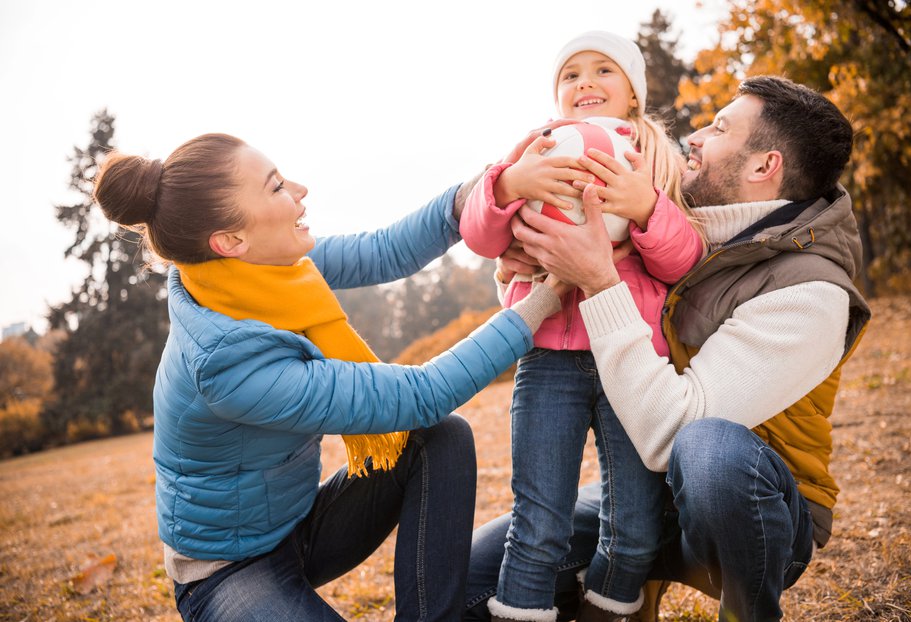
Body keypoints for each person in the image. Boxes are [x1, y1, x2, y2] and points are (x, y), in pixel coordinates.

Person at [92, 132, 563, 622]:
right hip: (228, 571)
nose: (299, 191)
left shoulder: (252, 272)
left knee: (439, 437)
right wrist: (541, 303)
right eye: (276, 188)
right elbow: (422, 393)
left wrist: (486, 190)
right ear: (230, 240)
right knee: (428, 414)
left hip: (299, 526)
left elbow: (385, 251)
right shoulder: (224, 364)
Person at [465, 75, 871, 622]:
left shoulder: (811, 294)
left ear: (763, 166)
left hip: (750, 506)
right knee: (474, 575)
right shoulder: (688, 230)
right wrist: (525, 265)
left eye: (719, 127)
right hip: (651, 490)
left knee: (710, 451)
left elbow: (673, 432)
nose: (696, 137)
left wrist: (598, 280)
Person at [459, 31, 705, 622]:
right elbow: (480, 234)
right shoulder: (535, 152)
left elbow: (684, 262)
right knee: (538, 521)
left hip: (631, 361)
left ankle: (608, 612)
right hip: (549, 359)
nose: (585, 82)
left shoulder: (657, 162)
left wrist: (644, 207)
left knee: (636, 526)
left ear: (634, 98)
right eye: (571, 75)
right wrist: (508, 184)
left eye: (603, 71)